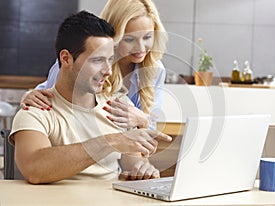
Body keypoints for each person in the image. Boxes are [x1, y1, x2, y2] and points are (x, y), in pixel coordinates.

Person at [9, 11, 172, 184]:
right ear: (66, 59)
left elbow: (132, 162)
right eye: (97, 60)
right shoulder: (35, 111)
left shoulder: (120, 106)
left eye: (110, 59)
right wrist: (110, 141)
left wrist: (142, 169)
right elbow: (35, 169)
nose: (108, 70)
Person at [20, 0, 168, 130]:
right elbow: (52, 97)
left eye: (147, 37)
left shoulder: (155, 70)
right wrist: (31, 96)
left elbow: (150, 130)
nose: (140, 48)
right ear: (113, 37)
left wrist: (142, 120)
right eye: (129, 39)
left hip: (124, 156)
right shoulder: (80, 61)